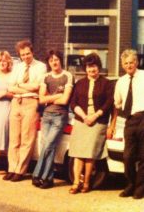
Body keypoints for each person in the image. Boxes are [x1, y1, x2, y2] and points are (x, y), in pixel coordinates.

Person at [68, 52, 113, 194]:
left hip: (97, 122)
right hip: (81, 121)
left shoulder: (106, 83)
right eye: (88, 67)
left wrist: (94, 116)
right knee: (77, 153)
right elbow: (73, 102)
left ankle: (86, 182)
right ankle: (76, 182)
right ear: (85, 68)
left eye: (94, 67)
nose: (91, 70)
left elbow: (108, 103)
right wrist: (84, 116)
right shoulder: (80, 83)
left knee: (89, 154)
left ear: (98, 67)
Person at [4, 39, 47, 182]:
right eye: (22, 54)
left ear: (32, 52)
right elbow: (10, 87)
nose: (25, 57)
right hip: (16, 101)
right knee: (14, 138)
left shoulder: (41, 67)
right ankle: (12, 168)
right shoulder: (17, 67)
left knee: (27, 138)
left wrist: (20, 85)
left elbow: (37, 86)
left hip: (31, 102)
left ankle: (20, 170)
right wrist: (25, 86)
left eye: (28, 53)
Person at [32, 50, 73, 188]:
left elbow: (65, 100)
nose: (54, 62)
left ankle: (37, 174)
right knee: (47, 146)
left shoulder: (68, 76)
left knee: (48, 145)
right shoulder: (46, 77)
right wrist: (57, 96)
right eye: (51, 60)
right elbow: (41, 99)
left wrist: (50, 97)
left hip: (60, 116)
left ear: (60, 60)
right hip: (47, 116)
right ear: (48, 63)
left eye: (56, 59)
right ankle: (48, 179)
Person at [114, 49, 144, 199]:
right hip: (130, 121)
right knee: (128, 156)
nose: (129, 65)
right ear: (123, 66)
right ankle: (130, 184)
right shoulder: (121, 81)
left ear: (136, 62)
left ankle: (140, 188)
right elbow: (117, 103)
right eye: (126, 63)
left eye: (131, 62)